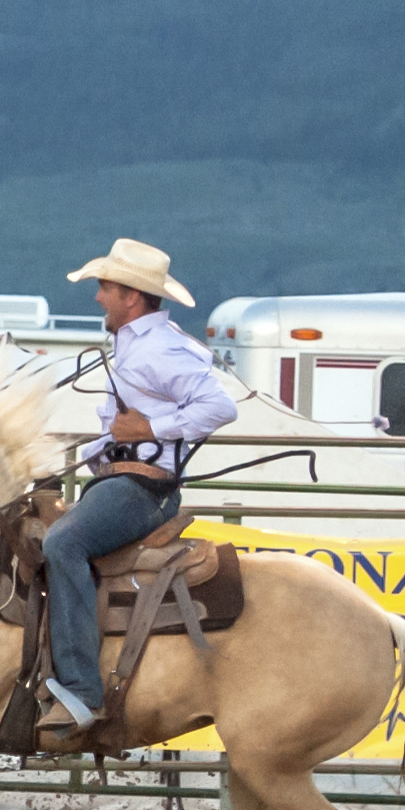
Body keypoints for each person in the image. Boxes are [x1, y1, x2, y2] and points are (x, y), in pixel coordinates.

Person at [37, 240, 239, 750]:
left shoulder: (157, 349)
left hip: (142, 488)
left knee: (63, 545)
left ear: (130, 296)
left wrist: (153, 425)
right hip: (122, 478)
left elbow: (219, 407)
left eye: (104, 287)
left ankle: (83, 691)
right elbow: (120, 431)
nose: (99, 297)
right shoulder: (138, 344)